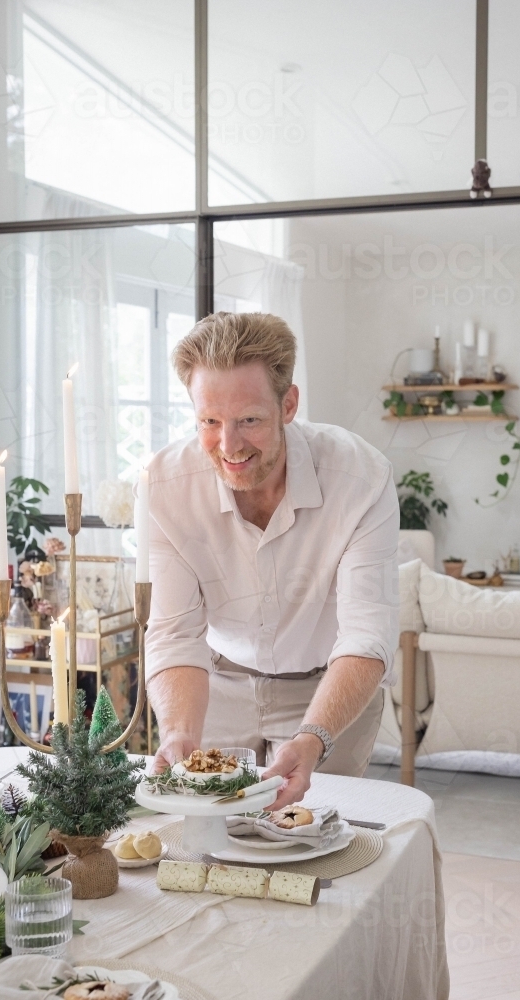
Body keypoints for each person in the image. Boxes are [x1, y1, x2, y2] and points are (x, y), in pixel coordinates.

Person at [146, 311, 399, 809]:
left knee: (314, 849)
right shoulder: (164, 486)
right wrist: (177, 732)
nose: (229, 445)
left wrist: (313, 737)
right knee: (215, 845)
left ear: (289, 404)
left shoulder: (361, 478)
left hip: (327, 686)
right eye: (209, 422)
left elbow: (366, 634)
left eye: (249, 421)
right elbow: (174, 633)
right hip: (216, 684)